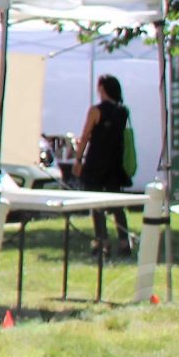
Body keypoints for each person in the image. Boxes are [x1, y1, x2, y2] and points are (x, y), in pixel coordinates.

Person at [73, 74, 134, 257]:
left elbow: (85, 137)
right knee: (117, 205)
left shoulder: (95, 111)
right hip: (115, 164)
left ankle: (102, 241)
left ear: (102, 89)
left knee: (97, 204)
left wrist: (78, 159)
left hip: (96, 163)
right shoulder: (123, 111)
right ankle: (124, 242)